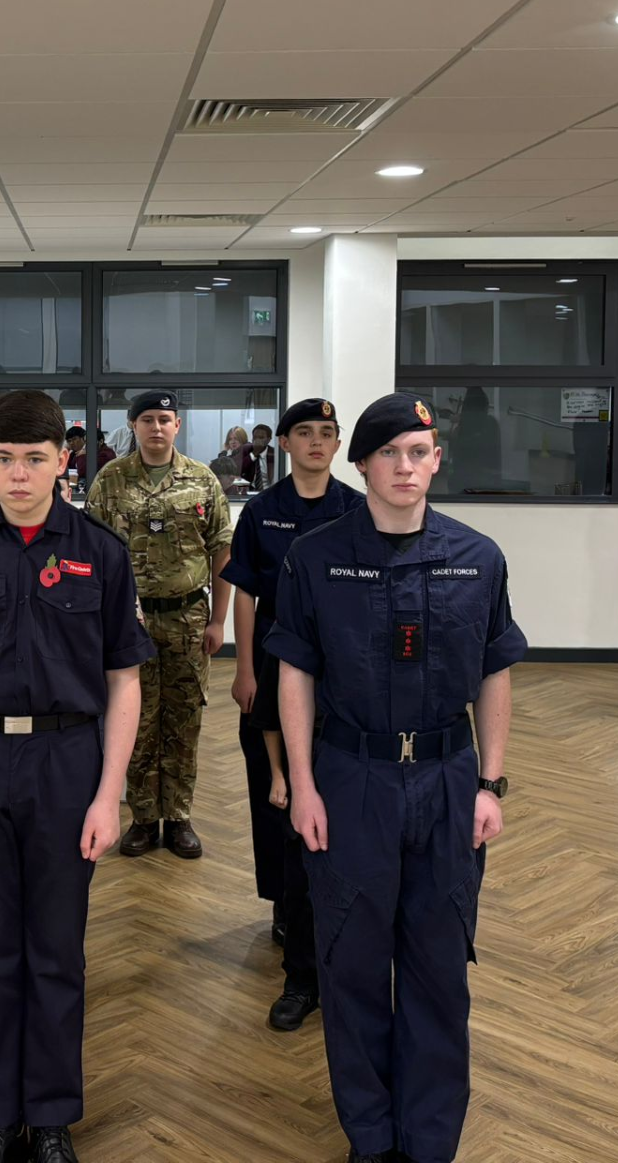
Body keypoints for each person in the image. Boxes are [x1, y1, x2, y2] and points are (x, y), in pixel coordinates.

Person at [266, 392, 524, 1163]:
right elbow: (295, 677)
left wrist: (492, 784)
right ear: (362, 464)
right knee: (351, 970)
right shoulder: (314, 559)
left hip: (447, 781)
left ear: (436, 458)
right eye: (389, 454)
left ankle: (429, 1141)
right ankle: (371, 1140)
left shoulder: (477, 557)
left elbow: (495, 673)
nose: (405, 467)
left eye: (419, 451)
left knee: (439, 973)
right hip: (352, 782)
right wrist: (303, 785)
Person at [0, 390, 152, 1163]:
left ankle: (49, 1115)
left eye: (34, 460)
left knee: (56, 948)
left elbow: (124, 681)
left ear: (63, 459)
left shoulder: (101, 551)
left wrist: (109, 795)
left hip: (65, 763)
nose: (17, 476)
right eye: (3, 459)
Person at [220, 398, 362, 1033]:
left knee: (334, 796)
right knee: (272, 792)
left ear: (336, 446)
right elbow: (247, 593)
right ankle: (284, 903)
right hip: (275, 656)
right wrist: (245, 668)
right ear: (283, 442)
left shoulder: (354, 509)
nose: (315, 442)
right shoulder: (263, 510)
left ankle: (328, 917)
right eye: (304, 432)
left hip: (336, 668)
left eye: (326, 434)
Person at [88, 390, 233, 860]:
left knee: (185, 717)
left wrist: (219, 621)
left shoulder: (202, 481)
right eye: (147, 419)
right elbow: (91, 555)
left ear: (177, 426)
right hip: (129, 620)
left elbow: (222, 554)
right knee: (136, 720)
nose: (156, 427)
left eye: (165, 419)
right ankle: (145, 818)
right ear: (132, 426)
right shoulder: (110, 481)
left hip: (188, 616)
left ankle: (181, 816)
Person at [249, 422, 278, 489]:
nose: (257, 440)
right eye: (255, 437)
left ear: (268, 440)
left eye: (261, 438)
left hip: (269, 492)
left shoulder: (275, 454)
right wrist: (254, 453)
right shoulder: (247, 453)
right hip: (249, 493)